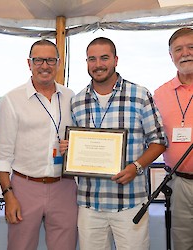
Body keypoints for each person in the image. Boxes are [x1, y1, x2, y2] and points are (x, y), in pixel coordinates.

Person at [60, 37, 167, 250]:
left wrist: (135, 167)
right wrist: (69, 148)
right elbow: (74, 147)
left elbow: (159, 142)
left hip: (130, 202)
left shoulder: (139, 95)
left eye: (104, 58)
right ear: (87, 62)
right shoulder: (77, 100)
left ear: (116, 60)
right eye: (92, 59)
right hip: (89, 204)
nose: (98, 64)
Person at [0, 39, 78, 250]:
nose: (45, 66)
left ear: (58, 63)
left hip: (64, 187)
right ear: (29, 63)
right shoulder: (12, 100)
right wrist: (8, 195)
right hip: (24, 187)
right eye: (38, 60)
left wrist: (75, 146)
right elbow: (2, 155)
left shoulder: (71, 97)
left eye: (50, 60)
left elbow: (81, 139)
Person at [154, 27, 193, 250]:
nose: (185, 53)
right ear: (171, 56)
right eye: (179, 49)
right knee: (182, 243)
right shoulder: (160, 94)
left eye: (191, 47)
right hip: (179, 183)